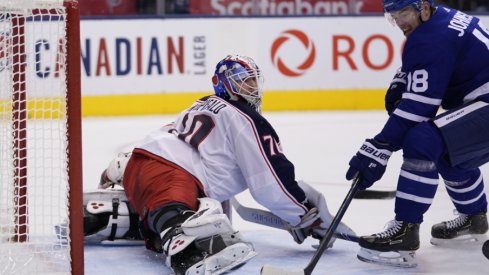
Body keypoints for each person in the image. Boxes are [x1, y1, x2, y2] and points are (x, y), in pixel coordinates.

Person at [88, 54, 355, 275]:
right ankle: (184, 241)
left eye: (253, 81)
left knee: (197, 210)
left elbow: (210, 164)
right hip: (172, 177)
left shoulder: (203, 104)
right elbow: (269, 181)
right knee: (186, 227)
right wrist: (304, 215)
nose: (251, 88)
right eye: (243, 82)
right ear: (223, 83)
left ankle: (124, 213)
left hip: (141, 162)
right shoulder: (247, 119)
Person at [345, 0, 489, 268]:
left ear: (423, 7)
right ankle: (474, 217)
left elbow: (419, 110)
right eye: (393, 16)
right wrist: (406, 76)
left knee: (423, 140)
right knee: (447, 143)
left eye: (404, 13)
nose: (399, 22)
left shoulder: (429, 37)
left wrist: (379, 146)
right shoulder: (442, 17)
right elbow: (440, 58)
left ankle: (405, 231)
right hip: (482, 102)